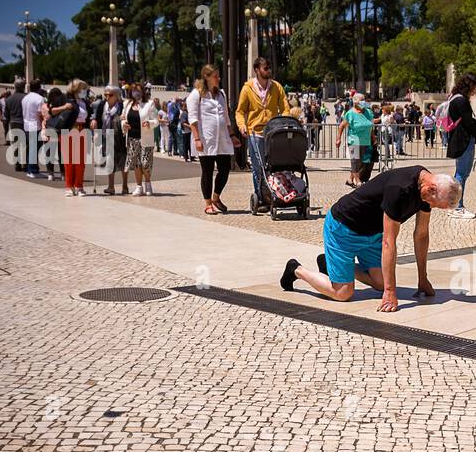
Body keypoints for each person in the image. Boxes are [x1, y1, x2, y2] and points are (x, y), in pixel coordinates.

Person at [280, 165, 459, 311]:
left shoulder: (426, 189)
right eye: (434, 204)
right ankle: (297, 270)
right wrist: (390, 292)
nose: (430, 207)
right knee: (343, 293)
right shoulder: (400, 189)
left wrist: (422, 278)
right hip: (343, 229)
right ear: (431, 189)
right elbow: (389, 242)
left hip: (372, 235)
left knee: (380, 283)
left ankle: (329, 264)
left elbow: (421, 235)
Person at [235, 57, 288, 212]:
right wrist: (242, 125)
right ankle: (261, 197)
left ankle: (273, 194)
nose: (269, 71)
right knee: (258, 168)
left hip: (273, 133)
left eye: (270, 68)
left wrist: (284, 121)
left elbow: (285, 106)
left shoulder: (276, 87)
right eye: (265, 68)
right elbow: (240, 111)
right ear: (257, 70)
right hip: (255, 133)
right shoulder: (247, 89)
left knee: (273, 166)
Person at [189, 64, 240, 215]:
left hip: (222, 138)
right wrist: (197, 138)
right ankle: (208, 203)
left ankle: (216, 197)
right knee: (207, 171)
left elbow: (226, 118)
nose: (218, 78)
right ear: (207, 77)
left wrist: (232, 135)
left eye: (218, 75)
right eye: (215, 76)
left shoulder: (221, 94)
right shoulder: (196, 94)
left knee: (225, 169)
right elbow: (192, 119)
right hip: (206, 139)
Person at [445, 72, 476, 218]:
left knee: (460, 174)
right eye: (475, 87)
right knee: (462, 174)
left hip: (459, 139)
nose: (475, 91)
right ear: (470, 86)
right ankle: (457, 207)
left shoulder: (455, 98)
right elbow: (468, 123)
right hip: (464, 140)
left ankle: (453, 205)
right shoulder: (461, 101)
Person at [92, 85, 128, 194]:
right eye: (105, 94)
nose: (107, 97)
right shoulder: (102, 104)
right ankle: (111, 186)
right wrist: (94, 122)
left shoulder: (122, 105)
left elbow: (126, 118)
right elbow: (97, 117)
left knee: (122, 160)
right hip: (106, 135)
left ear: (117, 96)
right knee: (109, 161)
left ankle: (125, 186)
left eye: (110, 95)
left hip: (119, 137)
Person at [123, 84, 158, 195]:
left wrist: (150, 123)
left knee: (145, 163)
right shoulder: (127, 104)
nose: (136, 93)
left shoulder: (149, 104)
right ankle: (139, 186)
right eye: (134, 91)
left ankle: (148, 184)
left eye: (138, 91)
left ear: (142, 92)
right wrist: (124, 124)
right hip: (132, 139)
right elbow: (123, 118)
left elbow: (156, 120)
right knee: (136, 164)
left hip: (145, 138)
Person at [336, 92, 375, 188]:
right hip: (354, 140)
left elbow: (371, 126)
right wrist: (338, 139)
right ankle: (358, 181)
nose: (363, 102)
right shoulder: (350, 113)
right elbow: (341, 126)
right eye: (361, 100)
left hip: (365, 140)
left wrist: (373, 138)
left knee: (360, 162)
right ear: (355, 102)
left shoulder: (368, 112)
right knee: (354, 161)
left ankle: (350, 180)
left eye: (363, 100)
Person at [58, 79, 90, 196]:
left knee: (80, 162)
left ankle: (79, 186)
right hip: (68, 131)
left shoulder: (85, 103)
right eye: (83, 89)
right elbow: (52, 111)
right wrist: (63, 107)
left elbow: (89, 116)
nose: (85, 91)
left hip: (82, 131)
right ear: (76, 89)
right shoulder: (65, 99)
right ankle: (69, 186)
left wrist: (93, 122)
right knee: (69, 161)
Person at [21, 80, 48, 179]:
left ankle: (30, 169)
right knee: (34, 149)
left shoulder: (25, 98)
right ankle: (33, 170)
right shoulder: (40, 99)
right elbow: (41, 113)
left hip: (26, 124)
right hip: (35, 125)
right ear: (39, 87)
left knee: (30, 148)